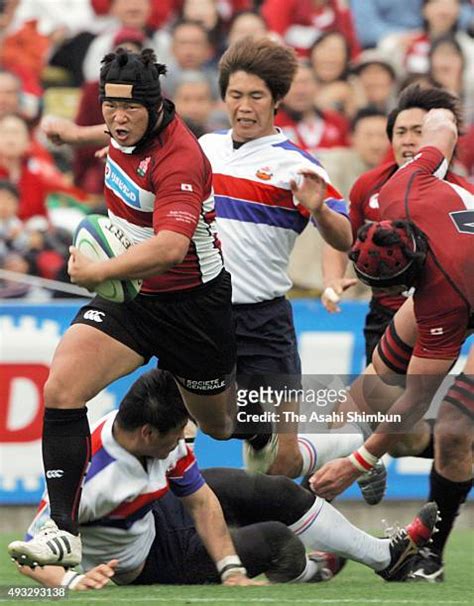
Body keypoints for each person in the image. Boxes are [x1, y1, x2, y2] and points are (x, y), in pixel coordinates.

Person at [14, 47, 250, 569]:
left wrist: (95, 272)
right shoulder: (123, 129)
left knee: (220, 427)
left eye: (129, 110)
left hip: (193, 309)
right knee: (62, 388)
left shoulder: (180, 157)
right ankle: (63, 530)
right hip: (136, 298)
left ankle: (261, 423)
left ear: (156, 105)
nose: (117, 120)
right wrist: (75, 136)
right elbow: (114, 134)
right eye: (108, 108)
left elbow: (169, 247)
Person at [9, 369, 439, 587]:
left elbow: (198, 500)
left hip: (157, 515)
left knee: (268, 490)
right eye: (179, 431)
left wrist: (228, 564)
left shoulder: (146, 432)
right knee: (275, 541)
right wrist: (71, 582)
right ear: (147, 433)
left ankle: (387, 557)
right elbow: (26, 556)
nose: (185, 437)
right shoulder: (90, 483)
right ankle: (315, 572)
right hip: (147, 563)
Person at [311, 104, 473, 582]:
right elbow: (442, 127)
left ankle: (429, 558)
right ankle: (329, 531)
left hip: (464, 281)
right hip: (454, 266)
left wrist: (358, 461)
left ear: (411, 275)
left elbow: (416, 398)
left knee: (454, 429)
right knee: (366, 396)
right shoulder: (400, 185)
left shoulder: (443, 293)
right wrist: (441, 118)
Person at [198, 36, 354, 479]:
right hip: (207, 316)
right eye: (235, 95)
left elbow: (344, 237)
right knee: (213, 423)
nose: (244, 106)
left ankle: (350, 445)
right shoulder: (204, 149)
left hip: (265, 322)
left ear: (276, 100)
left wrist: (319, 208)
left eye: (255, 96)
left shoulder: (297, 166)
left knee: (281, 465)